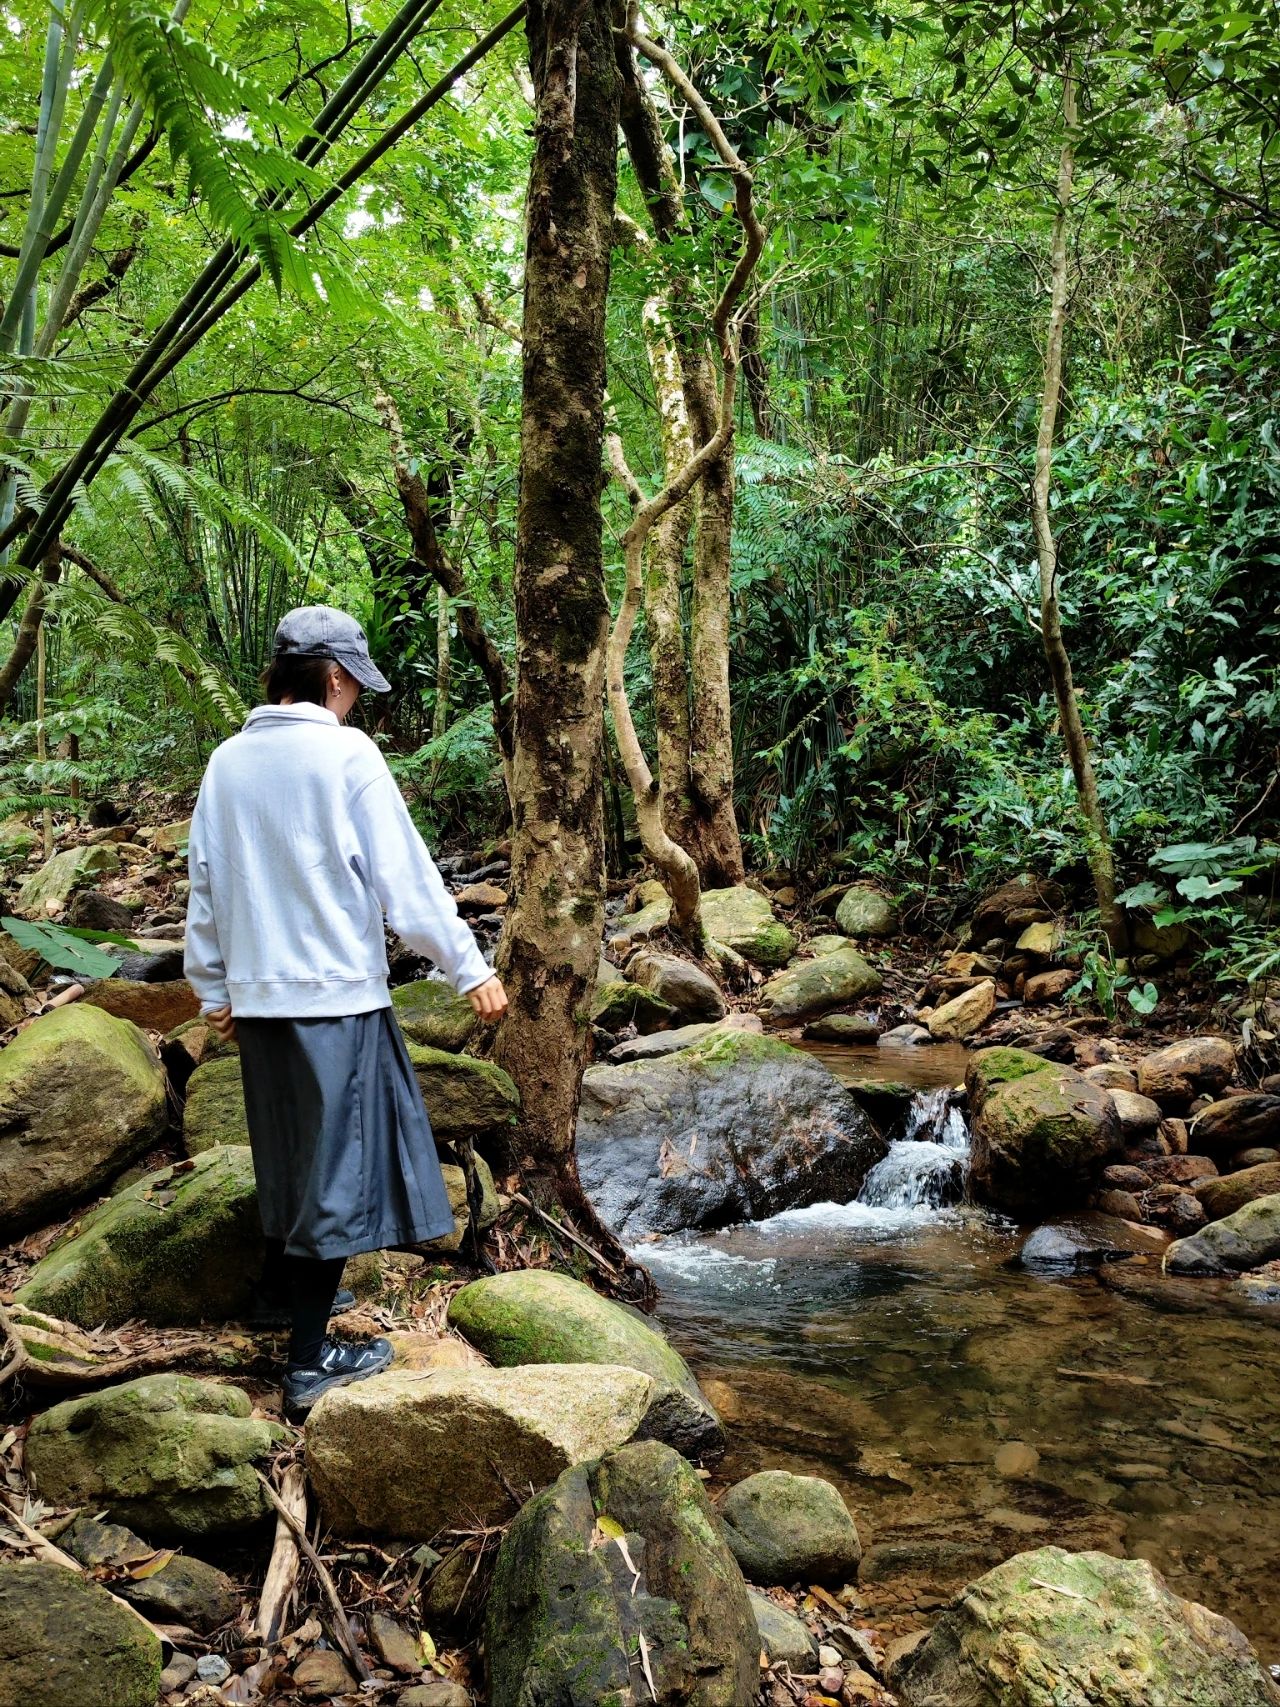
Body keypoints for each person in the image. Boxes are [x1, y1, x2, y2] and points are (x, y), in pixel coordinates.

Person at [183, 604, 508, 1420]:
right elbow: (407, 878)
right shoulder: (345, 754)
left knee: (288, 1154)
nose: (357, 700)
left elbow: (206, 884)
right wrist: (468, 966)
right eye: (355, 685)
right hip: (336, 996)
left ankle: (274, 1299)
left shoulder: (226, 762)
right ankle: (307, 1361)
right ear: (333, 678)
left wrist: (215, 987)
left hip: (261, 1000)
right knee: (333, 1172)